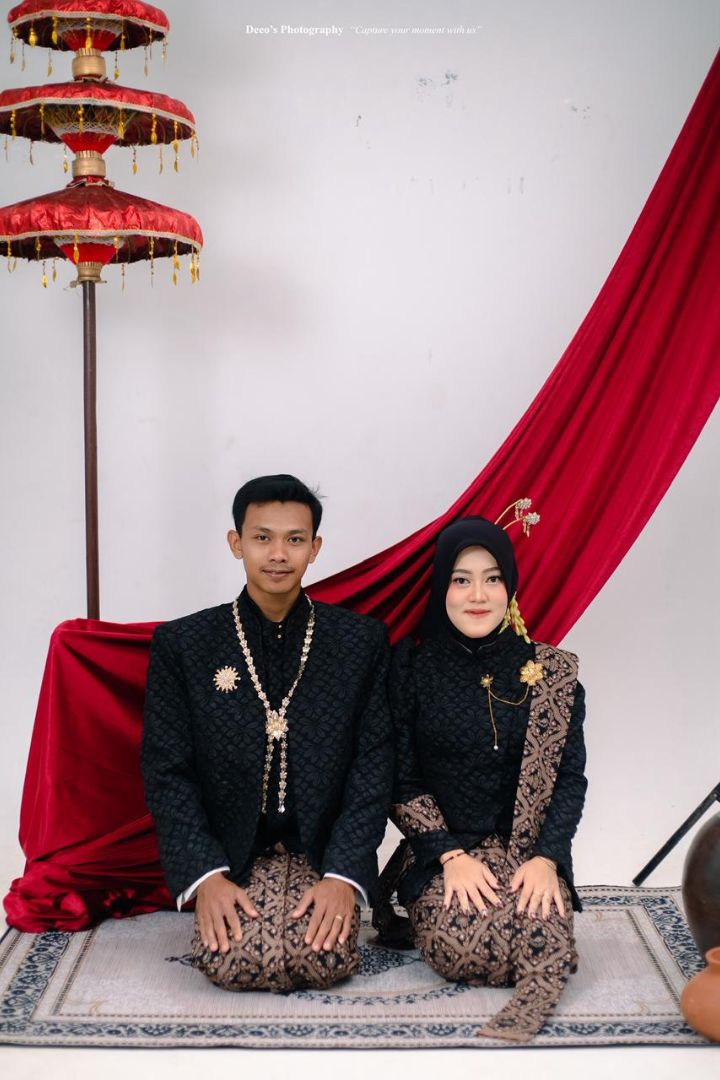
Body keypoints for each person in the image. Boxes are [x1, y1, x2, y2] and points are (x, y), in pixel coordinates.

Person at [142, 474, 393, 992]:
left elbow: (374, 766)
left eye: (294, 539)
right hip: (228, 857)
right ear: (236, 543)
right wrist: (206, 877)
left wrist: (343, 876)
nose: (278, 554)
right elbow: (167, 771)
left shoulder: (359, 642)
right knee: (233, 963)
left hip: (322, 854)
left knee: (321, 960)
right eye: (262, 538)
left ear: (314, 548)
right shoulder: (184, 645)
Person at [375, 513, 587, 1042]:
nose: (478, 595)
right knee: (460, 948)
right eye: (461, 579)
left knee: (545, 930)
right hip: (444, 853)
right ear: (441, 586)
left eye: (492, 579)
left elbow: (570, 778)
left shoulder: (552, 674)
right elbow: (399, 777)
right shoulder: (410, 668)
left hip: (528, 852)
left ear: (509, 586)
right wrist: (450, 857)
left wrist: (547, 859)